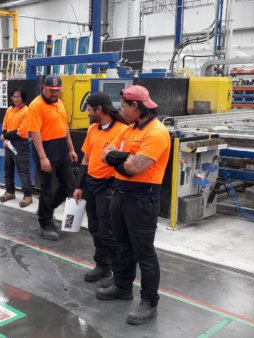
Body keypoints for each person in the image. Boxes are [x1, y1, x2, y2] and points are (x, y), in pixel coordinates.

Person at [97, 85, 170, 325]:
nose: (121, 110)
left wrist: (119, 158)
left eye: (124, 106)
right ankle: (122, 285)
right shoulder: (129, 130)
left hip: (142, 198)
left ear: (135, 106)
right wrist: (121, 158)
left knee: (144, 253)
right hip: (120, 194)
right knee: (122, 246)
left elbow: (135, 168)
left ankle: (149, 302)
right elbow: (104, 154)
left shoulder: (156, 133)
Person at [72, 92, 126, 284]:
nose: (87, 113)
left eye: (88, 109)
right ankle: (102, 266)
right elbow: (86, 159)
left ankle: (119, 274)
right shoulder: (93, 129)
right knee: (95, 228)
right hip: (91, 185)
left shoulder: (122, 131)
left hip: (109, 187)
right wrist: (79, 186)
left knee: (109, 231)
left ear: (99, 109)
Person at [26, 74, 78, 241]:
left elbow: (65, 127)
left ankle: (45, 210)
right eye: (51, 90)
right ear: (44, 88)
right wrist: (42, 158)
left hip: (61, 150)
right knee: (49, 189)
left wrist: (71, 149)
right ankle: (45, 223)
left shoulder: (59, 103)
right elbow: (35, 133)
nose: (55, 94)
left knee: (70, 185)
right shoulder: (36, 106)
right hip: (46, 151)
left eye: (57, 90)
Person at [0, 88, 33, 208]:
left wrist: (4, 136)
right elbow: (5, 125)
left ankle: (28, 196)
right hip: (9, 143)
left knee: (23, 170)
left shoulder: (27, 111)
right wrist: (5, 137)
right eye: (13, 96)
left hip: (20, 143)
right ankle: (10, 192)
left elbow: (21, 131)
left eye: (18, 97)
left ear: (23, 98)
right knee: (8, 168)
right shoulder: (9, 110)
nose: (15, 99)